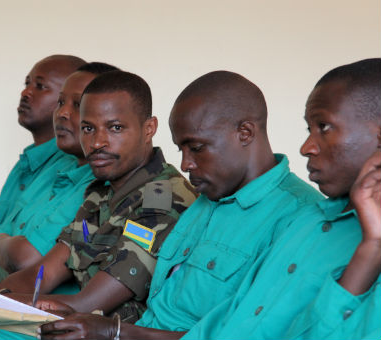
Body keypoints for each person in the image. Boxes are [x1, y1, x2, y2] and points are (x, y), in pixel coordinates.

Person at [38, 70, 322, 339]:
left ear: (245, 133)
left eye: (196, 148)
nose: (186, 164)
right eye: (181, 150)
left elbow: (247, 334)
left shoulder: (300, 218)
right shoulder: (206, 201)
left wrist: (115, 332)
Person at [0, 70, 197, 339]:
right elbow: (44, 273)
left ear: (149, 128)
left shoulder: (162, 200)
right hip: (63, 320)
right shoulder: (101, 193)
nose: (96, 143)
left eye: (115, 127)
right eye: (88, 128)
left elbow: (86, 304)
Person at [177, 58, 381, 340]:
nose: (306, 147)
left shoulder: (366, 244)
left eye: (324, 127)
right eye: (308, 129)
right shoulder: (308, 220)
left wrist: (369, 251)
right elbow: (230, 319)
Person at [0, 62, 119, 289]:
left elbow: (27, 258)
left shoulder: (98, 182)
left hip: (30, 299)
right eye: (61, 102)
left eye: (78, 104)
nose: (63, 112)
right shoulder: (57, 166)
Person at [0, 55, 86, 251]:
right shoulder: (24, 163)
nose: (26, 92)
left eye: (40, 86)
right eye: (27, 83)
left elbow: (27, 256)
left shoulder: (71, 168)